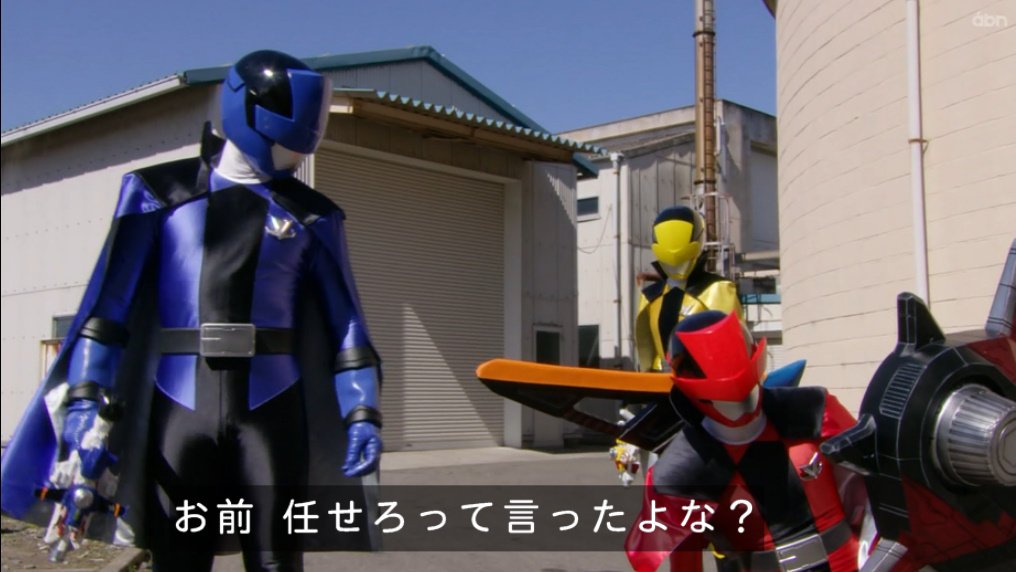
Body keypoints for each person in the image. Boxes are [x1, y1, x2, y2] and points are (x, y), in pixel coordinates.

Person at [0, 50, 382, 572]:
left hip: (272, 408)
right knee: (178, 560)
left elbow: (347, 326)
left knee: (276, 559)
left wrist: (362, 412)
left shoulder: (313, 215)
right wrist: (85, 404)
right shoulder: (159, 194)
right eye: (286, 143)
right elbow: (106, 315)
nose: (294, 155)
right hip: (180, 407)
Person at [625, 311, 865, 572]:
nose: (739, 408)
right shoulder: (679, 470)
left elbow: (873, 481)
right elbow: (685, 560)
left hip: (845, 562)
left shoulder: (812, 410)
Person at [634, 206, 743, 373]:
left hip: (704, 380)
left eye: (682, 261)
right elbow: (646, 350)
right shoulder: (650, 297)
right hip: (660, 380)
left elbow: (734, 345)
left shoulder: (717, 289)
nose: (676, 267)